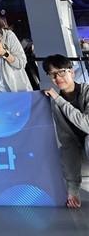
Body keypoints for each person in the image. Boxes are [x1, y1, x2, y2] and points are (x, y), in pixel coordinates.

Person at [42, 55, 89, 209]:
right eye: (52, 74)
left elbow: (87, 125)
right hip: (81, 148)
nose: (57, 78)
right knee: (64, 149)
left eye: (61, 72)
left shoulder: (87, 91)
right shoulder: (56, 103)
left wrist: (58, 99)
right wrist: (73, 190)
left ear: (72, 72)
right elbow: (67, 141)